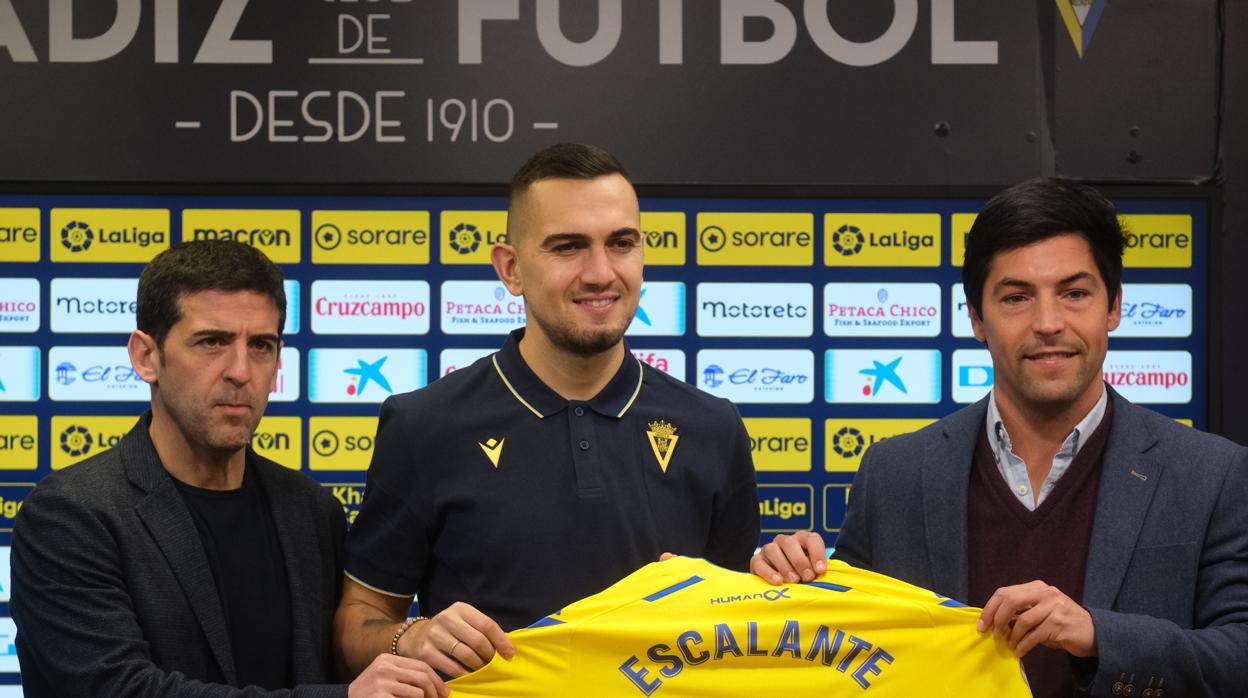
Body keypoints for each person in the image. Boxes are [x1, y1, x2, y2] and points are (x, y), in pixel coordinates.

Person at [751, 178, 1248, 697]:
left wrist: (1101, 636)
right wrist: (794, 591)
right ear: (977, 319)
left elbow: (1239, 657)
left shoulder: (1212, 475)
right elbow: (847, 655)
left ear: (1115, 305)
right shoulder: (893, 474)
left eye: (1075, 293)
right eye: (1016, 298)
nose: (1049, 323)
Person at [335, 143, 760, 680]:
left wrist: (788, 577)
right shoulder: (423, 426)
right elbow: (357, 623)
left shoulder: (714, 427)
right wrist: (409, 637)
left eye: (621, 243)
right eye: (568, 247)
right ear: (510, 268)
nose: (601, 272)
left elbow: (743, 632)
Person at [11, 240, 446, 698]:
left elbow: (334, 662)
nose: (240, 371)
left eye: (261, 345)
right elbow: (118, 689)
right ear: (146, 357)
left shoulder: (312, 510)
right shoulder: (70, 516)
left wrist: (409, 640)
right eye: (212, 342)